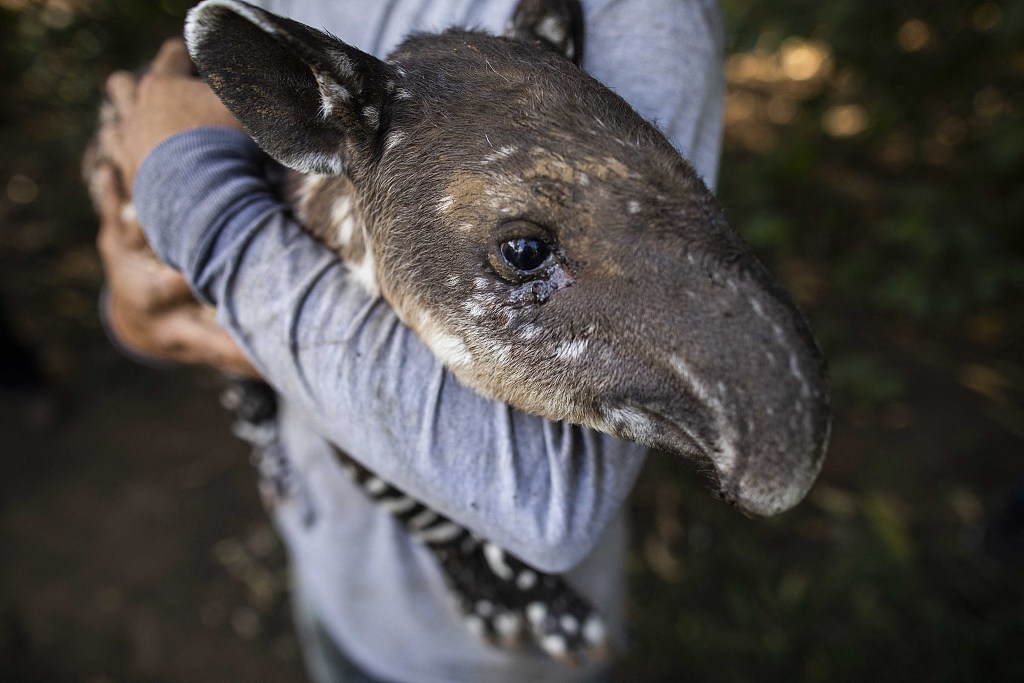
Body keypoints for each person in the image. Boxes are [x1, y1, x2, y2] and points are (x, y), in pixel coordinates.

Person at [95, 1, 725, 681]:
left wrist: (195, 197)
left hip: (492, 658)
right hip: (326, 558)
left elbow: (545, 492)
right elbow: (149, 271)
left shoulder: (637, 16)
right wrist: (136, 307)